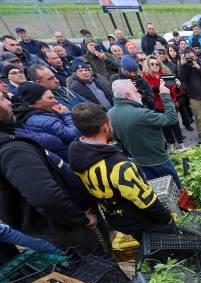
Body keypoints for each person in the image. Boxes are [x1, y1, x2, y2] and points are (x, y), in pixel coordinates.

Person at [0, 92, 112, 262]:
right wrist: (80, 218)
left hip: (59, 227)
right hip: (71, 227)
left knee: (88, 264)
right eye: (2, 99)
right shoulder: (12, 150)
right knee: (102, 263)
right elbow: (45, 196)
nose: (9, 102)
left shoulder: (11, 141)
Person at [69, 102, 177, 242]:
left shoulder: (77, 154)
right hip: (142, 221)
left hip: (117, 219)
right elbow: (145, 199)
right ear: (105, 127)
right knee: (166, 245)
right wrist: (166, 218)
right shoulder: (118, 165)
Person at [108, 79, 181, 188]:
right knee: (173, 186)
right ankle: (180, 203)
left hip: (138, 160)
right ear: (127, 95)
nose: (140, 95)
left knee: (156, 187)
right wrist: (165, 95)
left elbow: (117, 140)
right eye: (136, 92)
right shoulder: (141, 114)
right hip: (159, 159)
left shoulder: (110, 114)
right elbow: (171, 118)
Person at [12, 81, 80, 163]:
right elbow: (73, 135)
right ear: (36, 100)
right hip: (73, 159)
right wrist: (66, 114)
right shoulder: (43, 121)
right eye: (50, 98)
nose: (56, 101)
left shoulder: (36, 114)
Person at [142, 56, 185, 149]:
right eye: (152, 64)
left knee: (175, 124)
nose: (155, 66)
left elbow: (174, 91)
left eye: (157, 63)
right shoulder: (146, 77)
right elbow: (150, 90)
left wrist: (177, 86)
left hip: (170, 103)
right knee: (165, 127)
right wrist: (160, 86)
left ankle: (180, 142)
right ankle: (171, 143)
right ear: (148, 66)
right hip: (158, 105)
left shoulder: (166, 74)